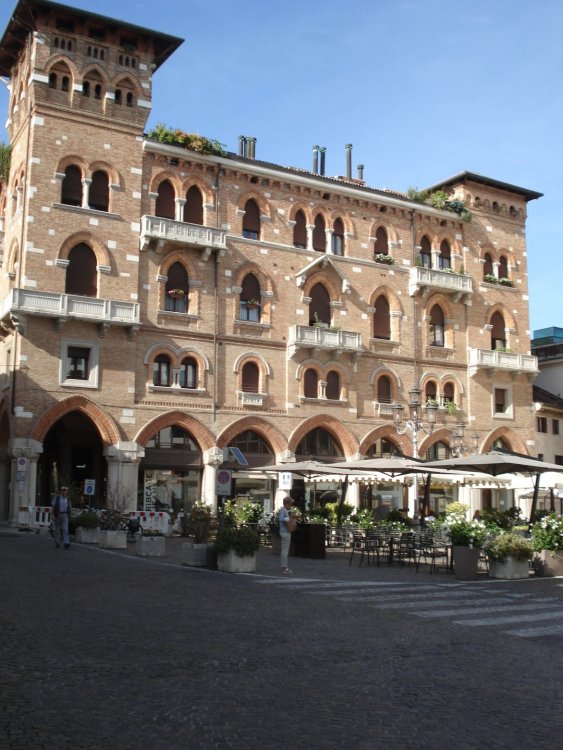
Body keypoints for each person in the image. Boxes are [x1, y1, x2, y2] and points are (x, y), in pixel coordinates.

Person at [279, 496, 294, 573]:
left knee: (284, 550)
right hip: (285, 532)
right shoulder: (283, 510)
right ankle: (284, 567)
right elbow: (281, 519)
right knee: (285, 550)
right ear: (287, 503)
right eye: (290, 504)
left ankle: (284, 566)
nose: (290, 506)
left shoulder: (284, 510)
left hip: (284, 531)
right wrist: (289, 518)